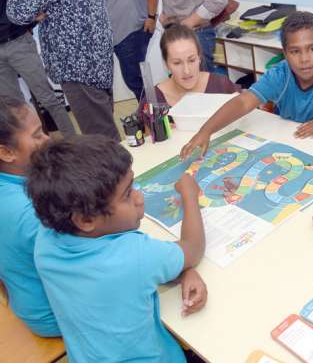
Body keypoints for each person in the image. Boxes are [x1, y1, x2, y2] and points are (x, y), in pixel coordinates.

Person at [26, 135, 207, 362]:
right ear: (85, 220)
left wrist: (183, 269)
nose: (140, 198)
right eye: (128, 194)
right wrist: (190, 195)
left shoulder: (45, 240)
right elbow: (193, 248)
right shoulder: (136, 254)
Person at [180, 11, 313, 160]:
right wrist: (206, 131)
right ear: (285, 53)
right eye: (295, 51)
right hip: (289, 144)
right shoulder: (279, 75)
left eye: (312, 49)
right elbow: (243, 102)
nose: (305, 58)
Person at [7, 0, 121, 140]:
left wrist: (33, 14)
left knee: (100, 138)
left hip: (77, 65)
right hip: (93, 57)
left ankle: (112, 164)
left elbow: (16, 10)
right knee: (103, 125)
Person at [0, 96, 59, 337]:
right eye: (36, 135)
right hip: (54, 315)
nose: (47, 139)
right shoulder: (29, 211)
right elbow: (93, 264)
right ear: (5, 152)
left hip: (25, 300)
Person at [0, 0, 75, 137]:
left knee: (48, 99)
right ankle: (30, 150)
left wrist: (31, 21)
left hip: (18, 42)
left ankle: (73, 143)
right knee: (14, 109)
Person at [137, 23, 239, 114]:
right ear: (166, 64)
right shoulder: (155, 99)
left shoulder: (221, 86)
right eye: (177, 63)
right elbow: (144, 133)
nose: (187, 71)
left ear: (199, 57)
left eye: (191, 60)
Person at [105, 0, 159, 101]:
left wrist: (151, 17)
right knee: (136, 79)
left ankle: (154, 115)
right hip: (113, 34)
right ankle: (149, 113)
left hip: (130, 30)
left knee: (136, 80)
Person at [159, 0, 228, 71]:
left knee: (201, 81)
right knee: (182, 81)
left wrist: (186, 24)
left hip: (196, 34)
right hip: (175, 32)